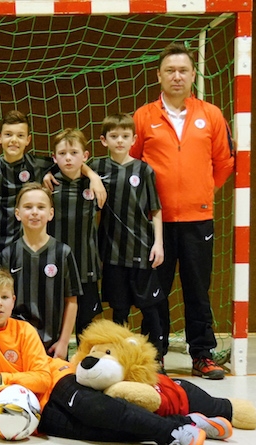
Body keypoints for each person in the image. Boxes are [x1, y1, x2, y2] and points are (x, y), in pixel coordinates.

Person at [0, 268, 221, 445]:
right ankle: (185, 423)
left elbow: (42, 377)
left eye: (4, 297)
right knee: (95, 433)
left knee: (101, 412)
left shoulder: (23, 330)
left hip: (59, 381)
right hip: (34, 410)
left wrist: (2, 379)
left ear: (13, 300)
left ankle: (173, 434)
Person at [129, 43, 235, 380]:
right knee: (155, 292)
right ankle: (155, 355)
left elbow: (224, 162)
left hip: (198, 220)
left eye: (183, 70)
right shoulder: (143, 117)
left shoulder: (212, 115)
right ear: (159, 75)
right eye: (170, 70)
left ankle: (202, 354)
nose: (177, 76)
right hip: (154, 224)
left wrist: (201, 194)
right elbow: (131, 164)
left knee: (197, 291)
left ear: (192, 75)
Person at [0, 110, 106, 266]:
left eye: (20, 135)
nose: (14, 140)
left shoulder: (38, 165)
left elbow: (70, 163)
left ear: (28, 140)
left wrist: (93, 176)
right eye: (8, 134)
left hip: (30, 245)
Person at [94, 113, 167, 371]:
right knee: (119, 310)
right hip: (112, 253)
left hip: (142, 250)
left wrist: (158, 243)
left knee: (150, 308)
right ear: (104, 140)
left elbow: (155, 210)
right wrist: (91, 175)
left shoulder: (144, 170)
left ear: (134, 139)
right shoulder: (98, 167)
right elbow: (74, 164)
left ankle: (157, 358)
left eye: (125, 136)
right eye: (114, 136)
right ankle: (119, 358)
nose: (120, 140)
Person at [0, 182, 81, 360]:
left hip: (52, 348)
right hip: (16, 346)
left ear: (51, 214)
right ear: (17, 213)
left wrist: (64, 342)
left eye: (41, 207)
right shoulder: (8, 255)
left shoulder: (63, 253)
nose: (34, 212)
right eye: (28, 207)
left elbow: (71, 301)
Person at [47, 128, 102, 343]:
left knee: (86, 322)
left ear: (85, 156)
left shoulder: (95, 184)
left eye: (74, 153)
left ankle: (85, 359)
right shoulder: (48, 184)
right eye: (62, 154)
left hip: (86, 263)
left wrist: (93, 176)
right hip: (56, 264)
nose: (68, 158)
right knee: (55, 319)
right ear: (54, 157)